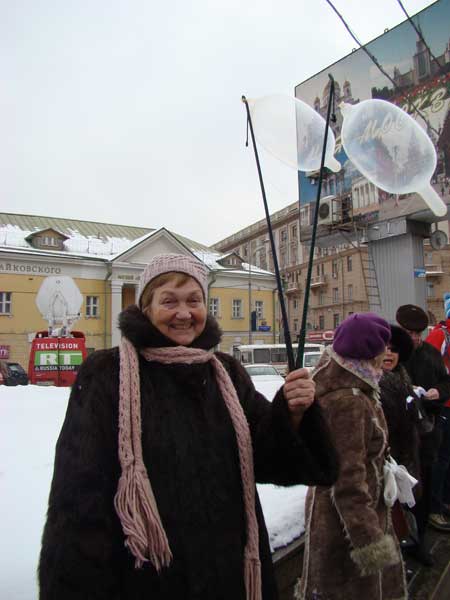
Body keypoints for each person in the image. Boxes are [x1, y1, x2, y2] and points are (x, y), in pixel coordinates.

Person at [38, 253, 339, 600]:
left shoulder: (225, 372)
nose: (184, 313)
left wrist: (294, 413)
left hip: (230, 574)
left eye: (194, 300)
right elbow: (77, 498)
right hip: (143, 579)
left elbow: (271, 457)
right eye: (169, 301)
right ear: (145, 308)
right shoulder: (107, 375)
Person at [297, 313, 407, 600]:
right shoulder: (349, 400)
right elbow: (347, 479)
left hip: (341, 516)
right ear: (369, 350)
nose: (387, 352)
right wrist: (370, 542)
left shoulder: (352, 385)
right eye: (384, 345)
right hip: (345, 527)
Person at [396, 304, 450, 562]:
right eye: (410, 332)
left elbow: (446, 381)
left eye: (419, 333)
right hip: (401, 437)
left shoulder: (430, 353)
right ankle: (403, 544)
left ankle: (420, 544)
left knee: (424, 491)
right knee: (403, 493)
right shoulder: (392, 353)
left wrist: (439, 392)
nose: (415, 338)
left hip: (428, 433)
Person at [425, 295, 450, 532]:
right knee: (441, 459)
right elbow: (432, 371)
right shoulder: (441, 335)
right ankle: (435, 507)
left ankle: (444, 502)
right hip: (444, 407)